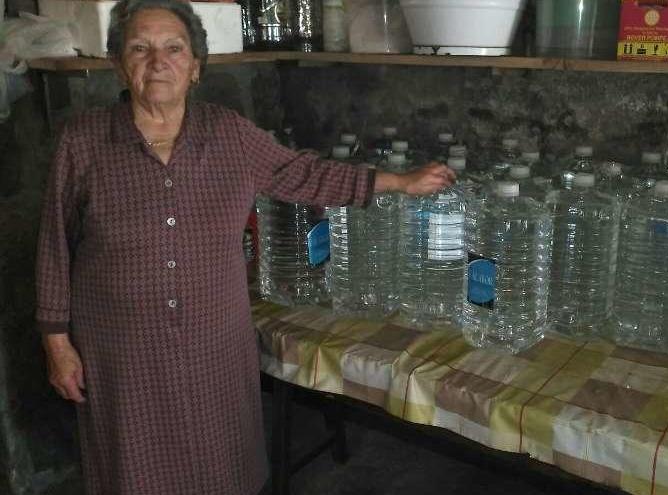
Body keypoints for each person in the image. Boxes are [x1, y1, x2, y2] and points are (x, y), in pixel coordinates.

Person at [34, 0, 454, 493]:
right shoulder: (82, 143)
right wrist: (56, 344)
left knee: (221, 462)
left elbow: (305, 174)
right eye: (140, 48)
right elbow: (54, 245)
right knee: (133, 470)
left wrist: (397, 181)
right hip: (121, 355)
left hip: (214, 345)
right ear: (118, 64)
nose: (158, 61)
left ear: (195, 67)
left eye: (174, 48)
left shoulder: (228, 134)